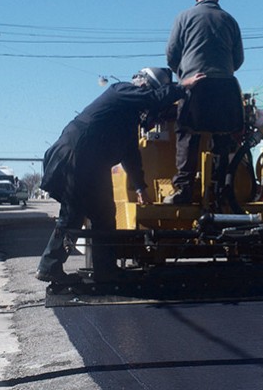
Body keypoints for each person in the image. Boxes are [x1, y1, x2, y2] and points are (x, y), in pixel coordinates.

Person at [36, 67, 204, 284]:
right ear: (144, 84)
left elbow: (131, 154)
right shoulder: (121, 91)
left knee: (105, 214)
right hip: (76, 155)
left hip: (93, 164)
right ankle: (49, 266)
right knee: (72, 215)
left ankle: (105, 271)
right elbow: (152, 98)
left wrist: (141, 187)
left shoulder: (127, 119)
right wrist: (182, 87)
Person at [164, 0, 245, 204]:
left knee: (186, 133)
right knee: (223, 136)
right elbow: (238, 60)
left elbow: (171, 55)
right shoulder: (230, 21)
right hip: (227, 89)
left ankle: (183, 190)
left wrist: (185, 75)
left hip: (195, 88)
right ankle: (222, 190)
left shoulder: (183, 17)